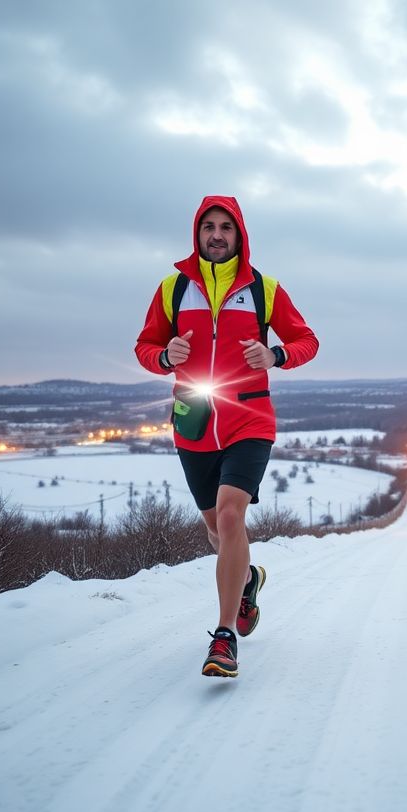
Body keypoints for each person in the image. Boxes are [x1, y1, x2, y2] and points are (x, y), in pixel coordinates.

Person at [135, 195, 319, 677]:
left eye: (225, 228)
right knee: (217, 529)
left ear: (239, 235)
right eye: (208, 227)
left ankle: (223, 637)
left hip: (248, 418)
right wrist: (164, 356)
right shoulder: (173, 287)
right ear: (196, 234)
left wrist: (275, 356)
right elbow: (145, 345)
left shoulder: (264, 289)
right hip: (194, 420)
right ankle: (249, 579)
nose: (216, 236)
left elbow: (306, 340)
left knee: (233, 516)